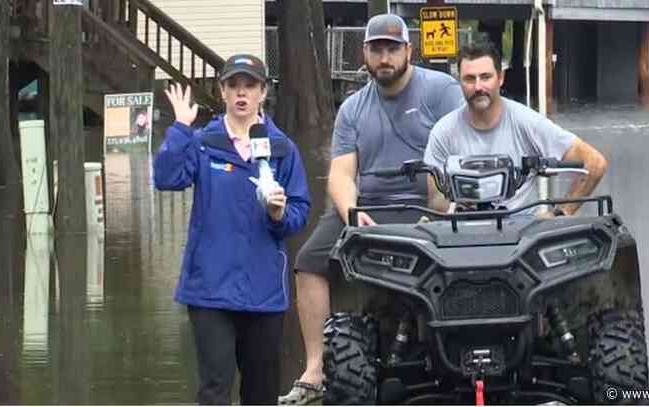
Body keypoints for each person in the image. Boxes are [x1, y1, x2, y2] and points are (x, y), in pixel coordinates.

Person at [279, 14, 465, 405]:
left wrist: (449, 205)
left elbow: (466, 150)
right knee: (309, 260)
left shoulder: (442, 91)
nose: (385, 57)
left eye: (392, 48)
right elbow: (341, 174)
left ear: (408, 51)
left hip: (426, 205)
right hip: (369, 206)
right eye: (376, 49)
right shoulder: (352, 108)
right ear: (364, 53)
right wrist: (349, 212)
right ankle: (315, 369)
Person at [153, 54, 311, 405]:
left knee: (261, 392)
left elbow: (300, 211)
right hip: (210, 289)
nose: (242, 94)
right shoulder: (203, 142)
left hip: (263, 292)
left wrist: (277, 214)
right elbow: (165, 179)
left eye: (250, 86)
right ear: (222, 91)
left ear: (263, 92)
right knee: (214, 388)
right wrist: (179, 128)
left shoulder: (282, 148)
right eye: (234, 86)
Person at [423, 40, 608, 215]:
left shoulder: (527, 123)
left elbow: (594, 162)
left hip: (522, 233)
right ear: (459, 81)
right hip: (463, 232)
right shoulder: (443, 132)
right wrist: (457, 206)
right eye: (469, 79)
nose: (478, 86)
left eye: (485, 77)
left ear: (501, 78)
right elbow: (434, 199)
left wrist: (560, 213)